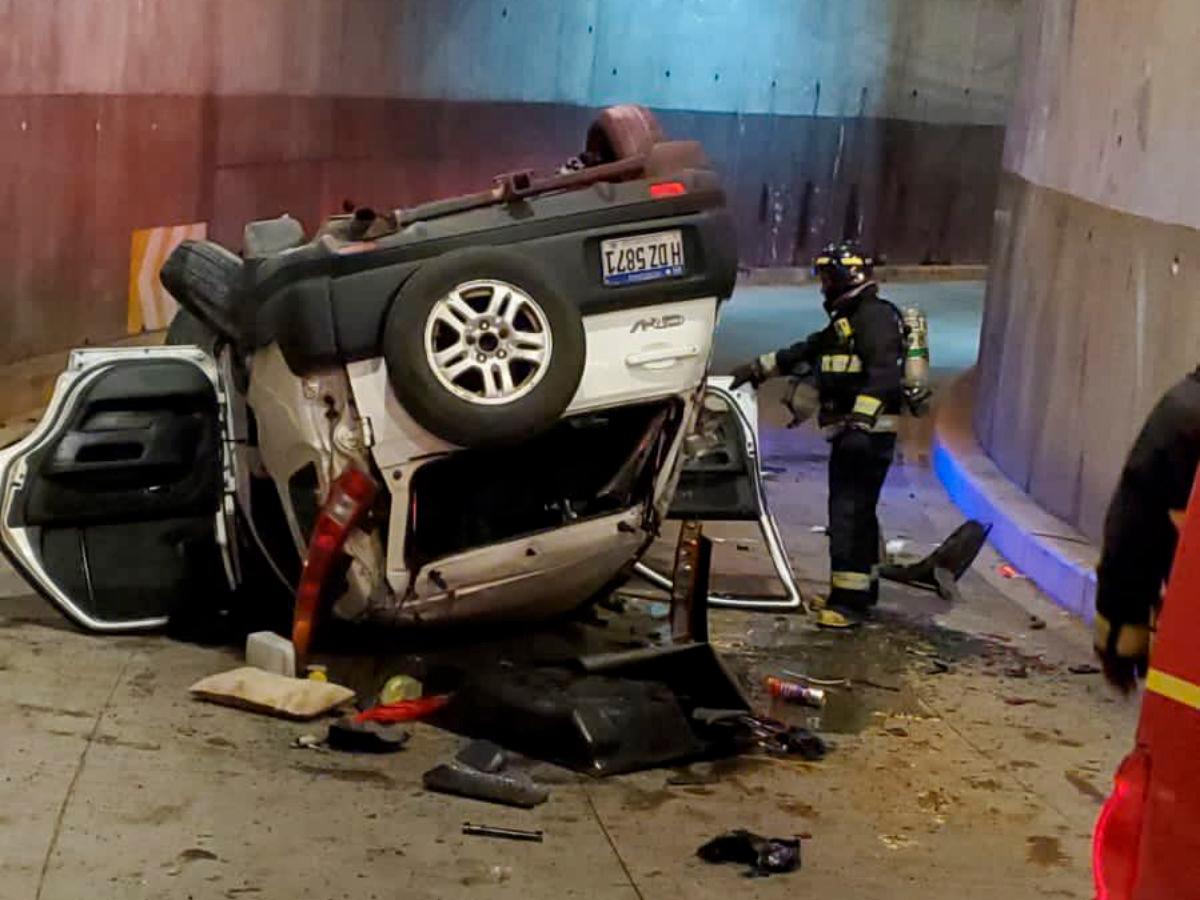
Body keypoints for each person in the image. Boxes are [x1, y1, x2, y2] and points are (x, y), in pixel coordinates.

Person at [731, 241, 904, 621]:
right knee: (860, 513)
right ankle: (863, 590)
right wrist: (759, 368)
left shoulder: (873, 319)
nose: (823, 286)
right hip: (855, 433)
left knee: (847, 515)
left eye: (828, 278)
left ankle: (847, 604)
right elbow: (808, 350)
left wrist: (860, 422)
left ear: (847, 277)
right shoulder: (850, 319)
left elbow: (884, 376)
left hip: (865, 436)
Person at [1094, 369, 1200, 692]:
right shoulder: (1191, 415)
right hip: (1140, 550)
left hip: (1134, 543)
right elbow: (1186, 522)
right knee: (1128, 643)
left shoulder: (1187, 400)